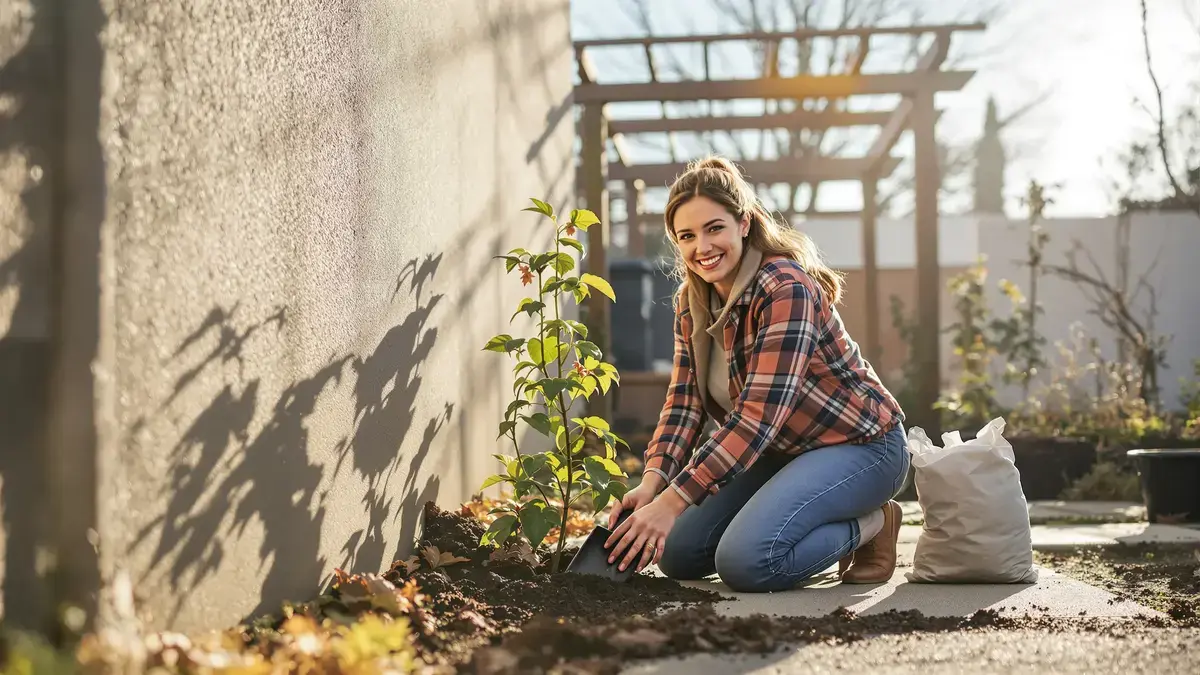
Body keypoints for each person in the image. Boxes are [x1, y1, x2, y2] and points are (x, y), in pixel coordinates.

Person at [603, 155, 909, 593]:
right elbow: (684, 404)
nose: (702, 247)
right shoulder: (691, 303)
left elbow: (757, 419)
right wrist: (652, 487)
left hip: (862, 447)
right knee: (677, 553)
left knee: (749, 561)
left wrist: (674, 501)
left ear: (743, 223)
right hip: (778, 452)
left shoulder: (785, 288)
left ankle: (874, 523)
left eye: (714, 228)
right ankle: (797, 513)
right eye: (686, 236)